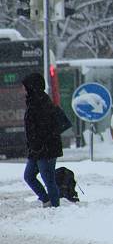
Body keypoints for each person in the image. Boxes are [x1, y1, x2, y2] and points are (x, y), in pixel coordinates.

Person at [22, 72, 72, 208]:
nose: (24, 90)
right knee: (29, 176)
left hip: (47, 149)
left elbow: (46, 128)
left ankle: (54, 207)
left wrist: (41, 141)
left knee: (48, 179)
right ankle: (46, 200)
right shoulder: (33, 102)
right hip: (36, 149)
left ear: (32, 87)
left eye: (26, 87)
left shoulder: (43, 103)